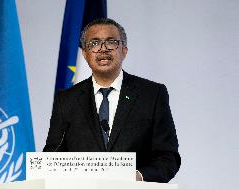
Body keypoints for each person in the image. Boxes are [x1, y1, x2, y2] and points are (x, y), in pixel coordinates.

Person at [43, 18, 181, 182]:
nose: (103, 49)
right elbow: (52, 155)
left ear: (124, 50)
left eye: (111, 42)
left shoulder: (152, 94)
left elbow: (168, 156)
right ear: (85, 54)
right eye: (94, 43)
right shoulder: (66, 100)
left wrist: (139, 177)